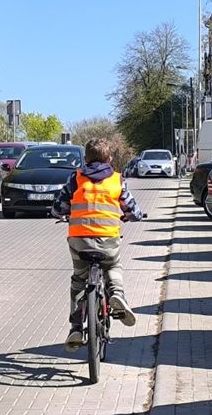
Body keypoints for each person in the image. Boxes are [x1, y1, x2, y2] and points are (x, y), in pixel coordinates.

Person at [52, 138, 145, 351]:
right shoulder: (117, 180)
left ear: (85, 159)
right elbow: (131, 208)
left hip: (80, 241)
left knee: (78, 280)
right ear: (109, 158)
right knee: (112, 266)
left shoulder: (75, 179)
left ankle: (76, 326)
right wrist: (134, 216)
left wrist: (60, 213)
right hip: (108, 240)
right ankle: (117, 295)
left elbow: (59, 206)